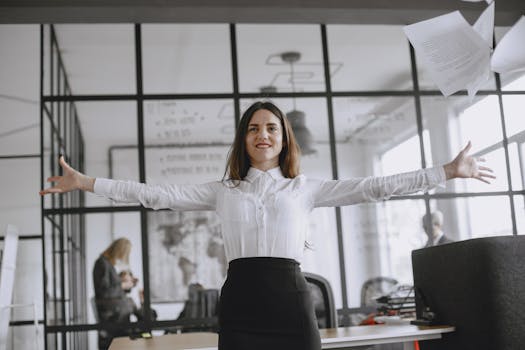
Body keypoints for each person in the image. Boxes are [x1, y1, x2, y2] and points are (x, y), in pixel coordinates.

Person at [40, 101, 495, 350]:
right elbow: (156, 195)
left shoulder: (306, 189)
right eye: (254, 127)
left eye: (272, 128)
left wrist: (445, 172)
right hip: (241, 302)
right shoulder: (223, 190)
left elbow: (376, 186)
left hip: (291, 302)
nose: (263, 134)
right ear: (244, 138)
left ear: (283, 138)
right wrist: (87, 183)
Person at [92, 238, 137, 350]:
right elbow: (105, 292)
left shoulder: (108, 264)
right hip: (111, 318)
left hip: (116, 315)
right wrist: (123, 285)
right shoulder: (102, 264)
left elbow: (112, 290)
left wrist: (128, 285)